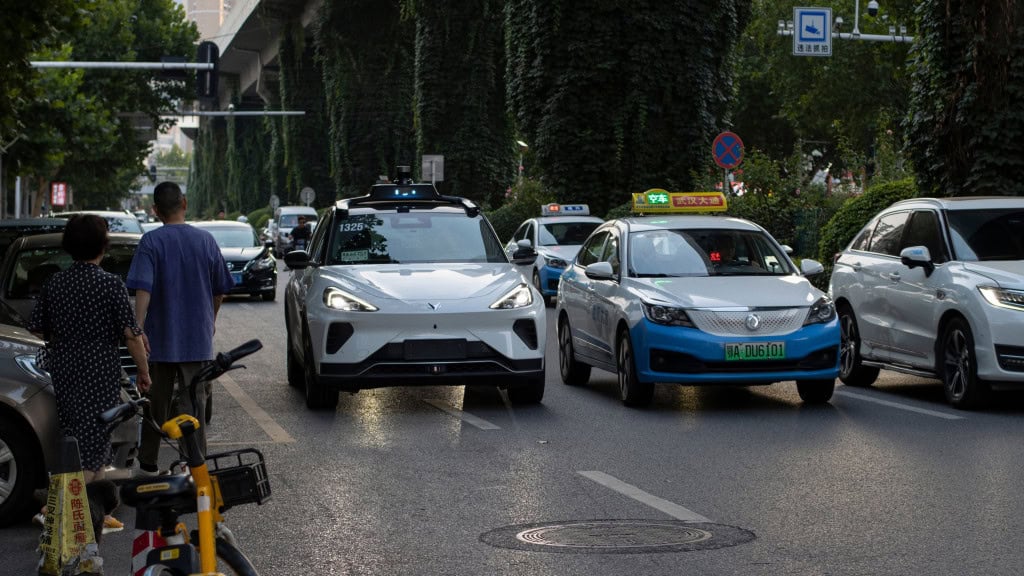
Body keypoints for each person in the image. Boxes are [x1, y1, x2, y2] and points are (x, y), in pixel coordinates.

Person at [29, 214, 151, 531]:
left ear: (69, 246)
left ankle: (93, 509)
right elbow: (131, 334)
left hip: (65, 368)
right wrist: (144, 371)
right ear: (103, 245)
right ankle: (55, 508)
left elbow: (39, 328)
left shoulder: (55, 283)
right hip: (101, 369)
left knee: (76, 437)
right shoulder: (110, 284)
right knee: (98, 438)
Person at [127, 181, 234, 476]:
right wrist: (209, 319)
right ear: (184, 203)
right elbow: (220, 290)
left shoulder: (151, 242)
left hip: (160, 339)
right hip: (196, 339)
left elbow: (143, 289)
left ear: (155, 211)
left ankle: (148, 464)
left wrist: (139, 326)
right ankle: (194, 465)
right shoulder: (206, 241)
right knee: (194, 405)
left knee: (155, 402)